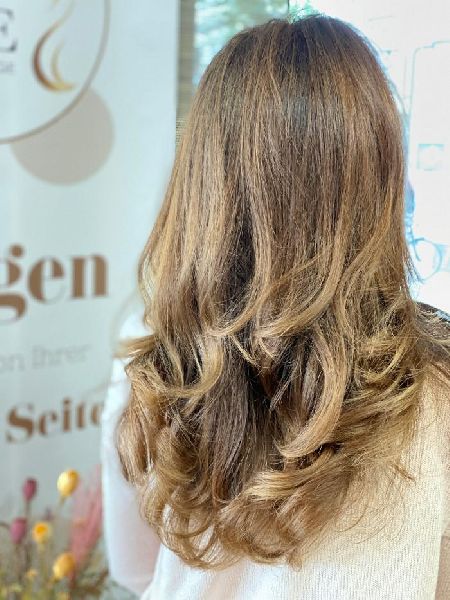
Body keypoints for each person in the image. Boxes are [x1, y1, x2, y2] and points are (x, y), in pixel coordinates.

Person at [101, 14, 450, 599]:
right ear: (382, 180)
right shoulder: (435, 390)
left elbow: (134, 571)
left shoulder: (155, 371)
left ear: (204, 183)